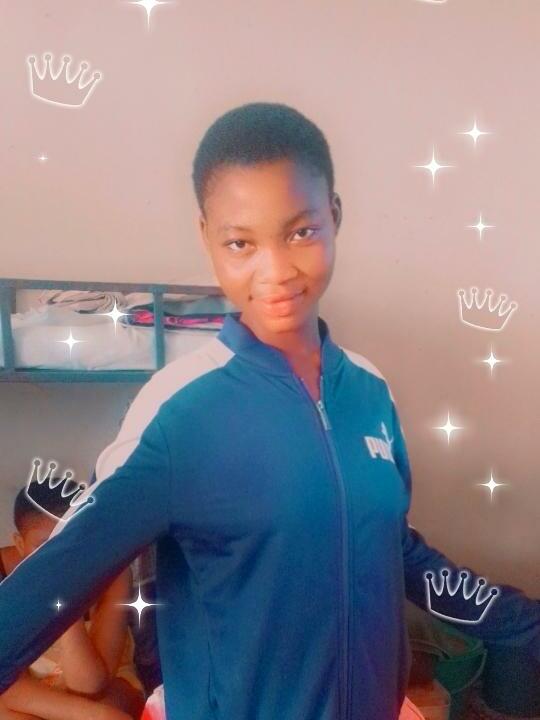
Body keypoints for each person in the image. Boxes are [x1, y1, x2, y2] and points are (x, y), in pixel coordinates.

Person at [0, 102, 538, 720]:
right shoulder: (180, 412)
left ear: (334, 215)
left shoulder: (370, 391)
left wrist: (516, 621)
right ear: (207, 238)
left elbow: (391, 546)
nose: (276, 270)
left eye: (301, 232)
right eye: (241, 243)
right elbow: (47, 586)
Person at [0, 481, 145, 720]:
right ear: (19, 543)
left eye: (72, 542)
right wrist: (98, 715)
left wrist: (65, 609)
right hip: (31, 694)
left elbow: (90, 686)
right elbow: (9, 687)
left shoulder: (113, 574)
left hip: (104, 688)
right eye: (44, 546)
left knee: (118, 702)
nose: (59, 558)